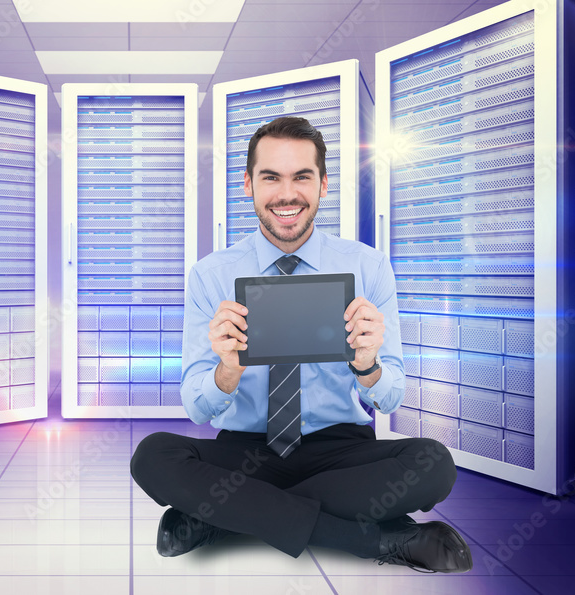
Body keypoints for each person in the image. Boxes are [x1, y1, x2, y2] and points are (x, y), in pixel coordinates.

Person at [129, 116, 472, 573]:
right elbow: (197, 409)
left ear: (323, 184)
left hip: (341, 452)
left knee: (433, 463)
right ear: (248, 184)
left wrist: (368, 365)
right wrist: (227, 369)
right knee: (154, 455)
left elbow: (390, 397)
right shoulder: (210, 275)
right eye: (271, 177)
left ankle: (227, 517)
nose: (286, 194)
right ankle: (376, 541)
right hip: (245, 450)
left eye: (301, 177)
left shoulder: (369, 267)